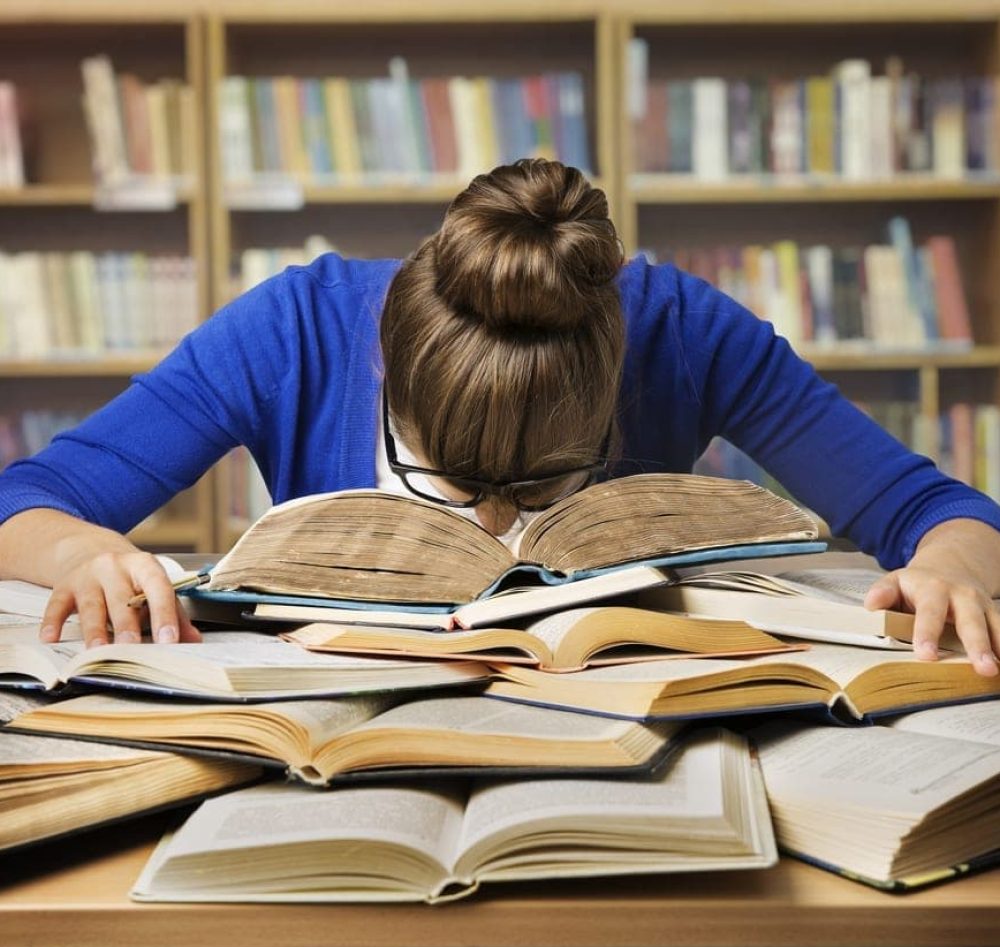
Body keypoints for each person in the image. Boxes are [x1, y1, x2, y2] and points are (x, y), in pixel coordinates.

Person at [0, 158, 998, 677]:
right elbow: (28, 497)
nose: (493, 532)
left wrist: (949, 571)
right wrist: (83, 553)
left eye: (536, 490)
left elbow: (934, 507)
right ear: (388, 372)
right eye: (450, 484)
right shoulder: (292, 329)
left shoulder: (680, 329)